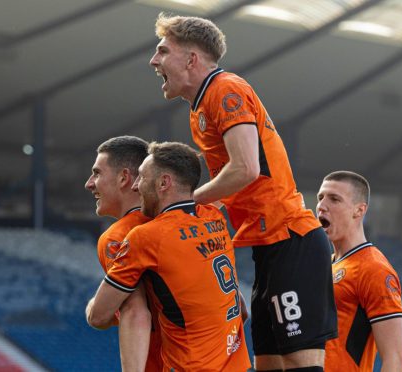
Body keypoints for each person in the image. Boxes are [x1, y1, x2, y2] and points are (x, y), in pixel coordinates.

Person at [149, 13, 337, 371]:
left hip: (290, 238)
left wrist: (185, 204)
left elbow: (246, 168)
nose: (153, 60)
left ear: (191, 59)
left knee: (300, 360)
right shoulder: (200, 109)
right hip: (267, 247)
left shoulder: (226, 89)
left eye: (162, 51)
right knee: (266, 362)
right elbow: (230, 182)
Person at [86, 141, 251, 371]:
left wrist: (93, 307)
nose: (136, 186)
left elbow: (127, 313)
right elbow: (241, 309)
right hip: (237, 362)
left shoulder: (130, 236)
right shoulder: (211, 216)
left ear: (163, 182)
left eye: (142, 177)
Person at [84, 135, 162, 371]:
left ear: (124, 178)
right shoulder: (189, 222)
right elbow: (239, 309)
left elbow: (135, 312)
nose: (89, 183)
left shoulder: (119, 237)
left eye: (97, 173)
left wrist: (95, 306)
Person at [316, 171, 402, 371]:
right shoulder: (324, 265)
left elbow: (395, 360)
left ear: (359, 210)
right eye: (320, 197)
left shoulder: (374, 269)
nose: (321, 206)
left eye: (334, 199)